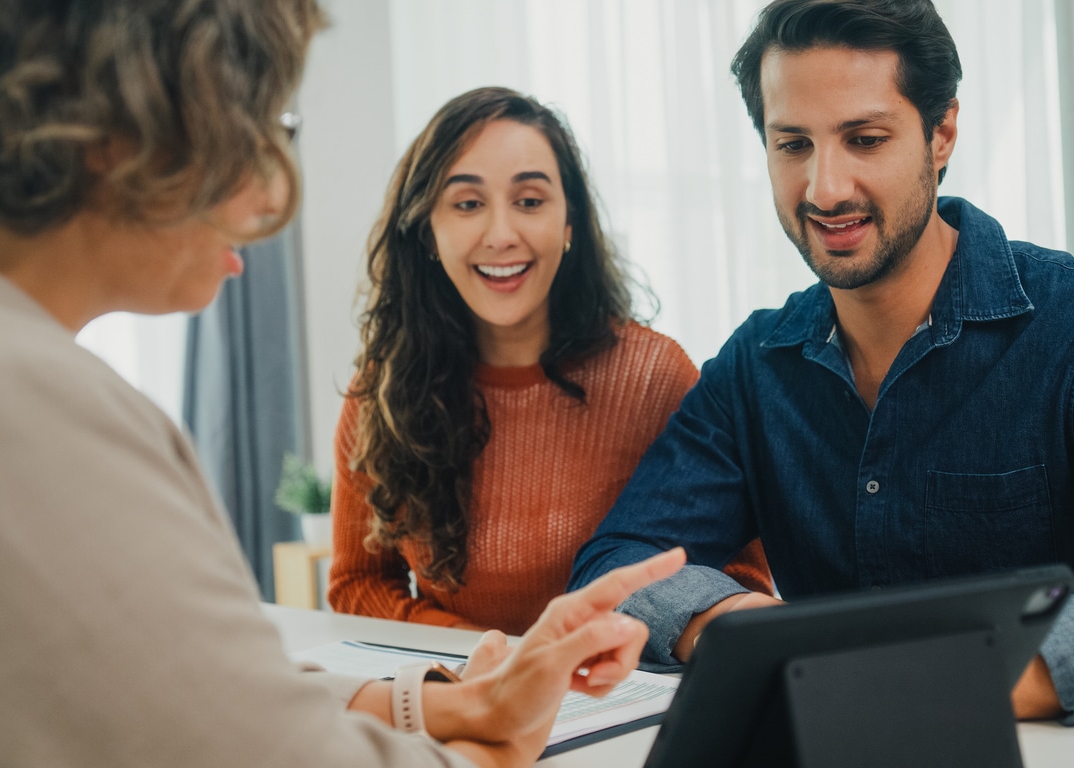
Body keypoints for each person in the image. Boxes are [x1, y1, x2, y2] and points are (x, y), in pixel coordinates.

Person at [0, 2, 686, 767]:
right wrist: (491, 744)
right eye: (256, 123)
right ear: (119, 134)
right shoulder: (32, 409)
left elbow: (224, 692)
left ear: (572, 223)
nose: (275, 192)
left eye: (530, 199)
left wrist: (449, 702)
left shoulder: (9, 375)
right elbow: (250, 723)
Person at [570, 0, 1074, 725]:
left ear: (941, 134)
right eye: (792, 145)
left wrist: (930, 686)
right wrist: (749, 634)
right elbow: (619, 564)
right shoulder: (755, 366)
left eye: (864, 139)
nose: (824, 188)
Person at [326, 87, 772, 636]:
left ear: (569, 226)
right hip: (469, 696)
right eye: (467, 204)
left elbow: (741, 575)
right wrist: (491, 657)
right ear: (428, 232)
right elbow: (359, 584)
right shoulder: (382, 394)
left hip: (627, 699)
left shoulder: (656, 376)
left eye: (530, 201)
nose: (501, 234)